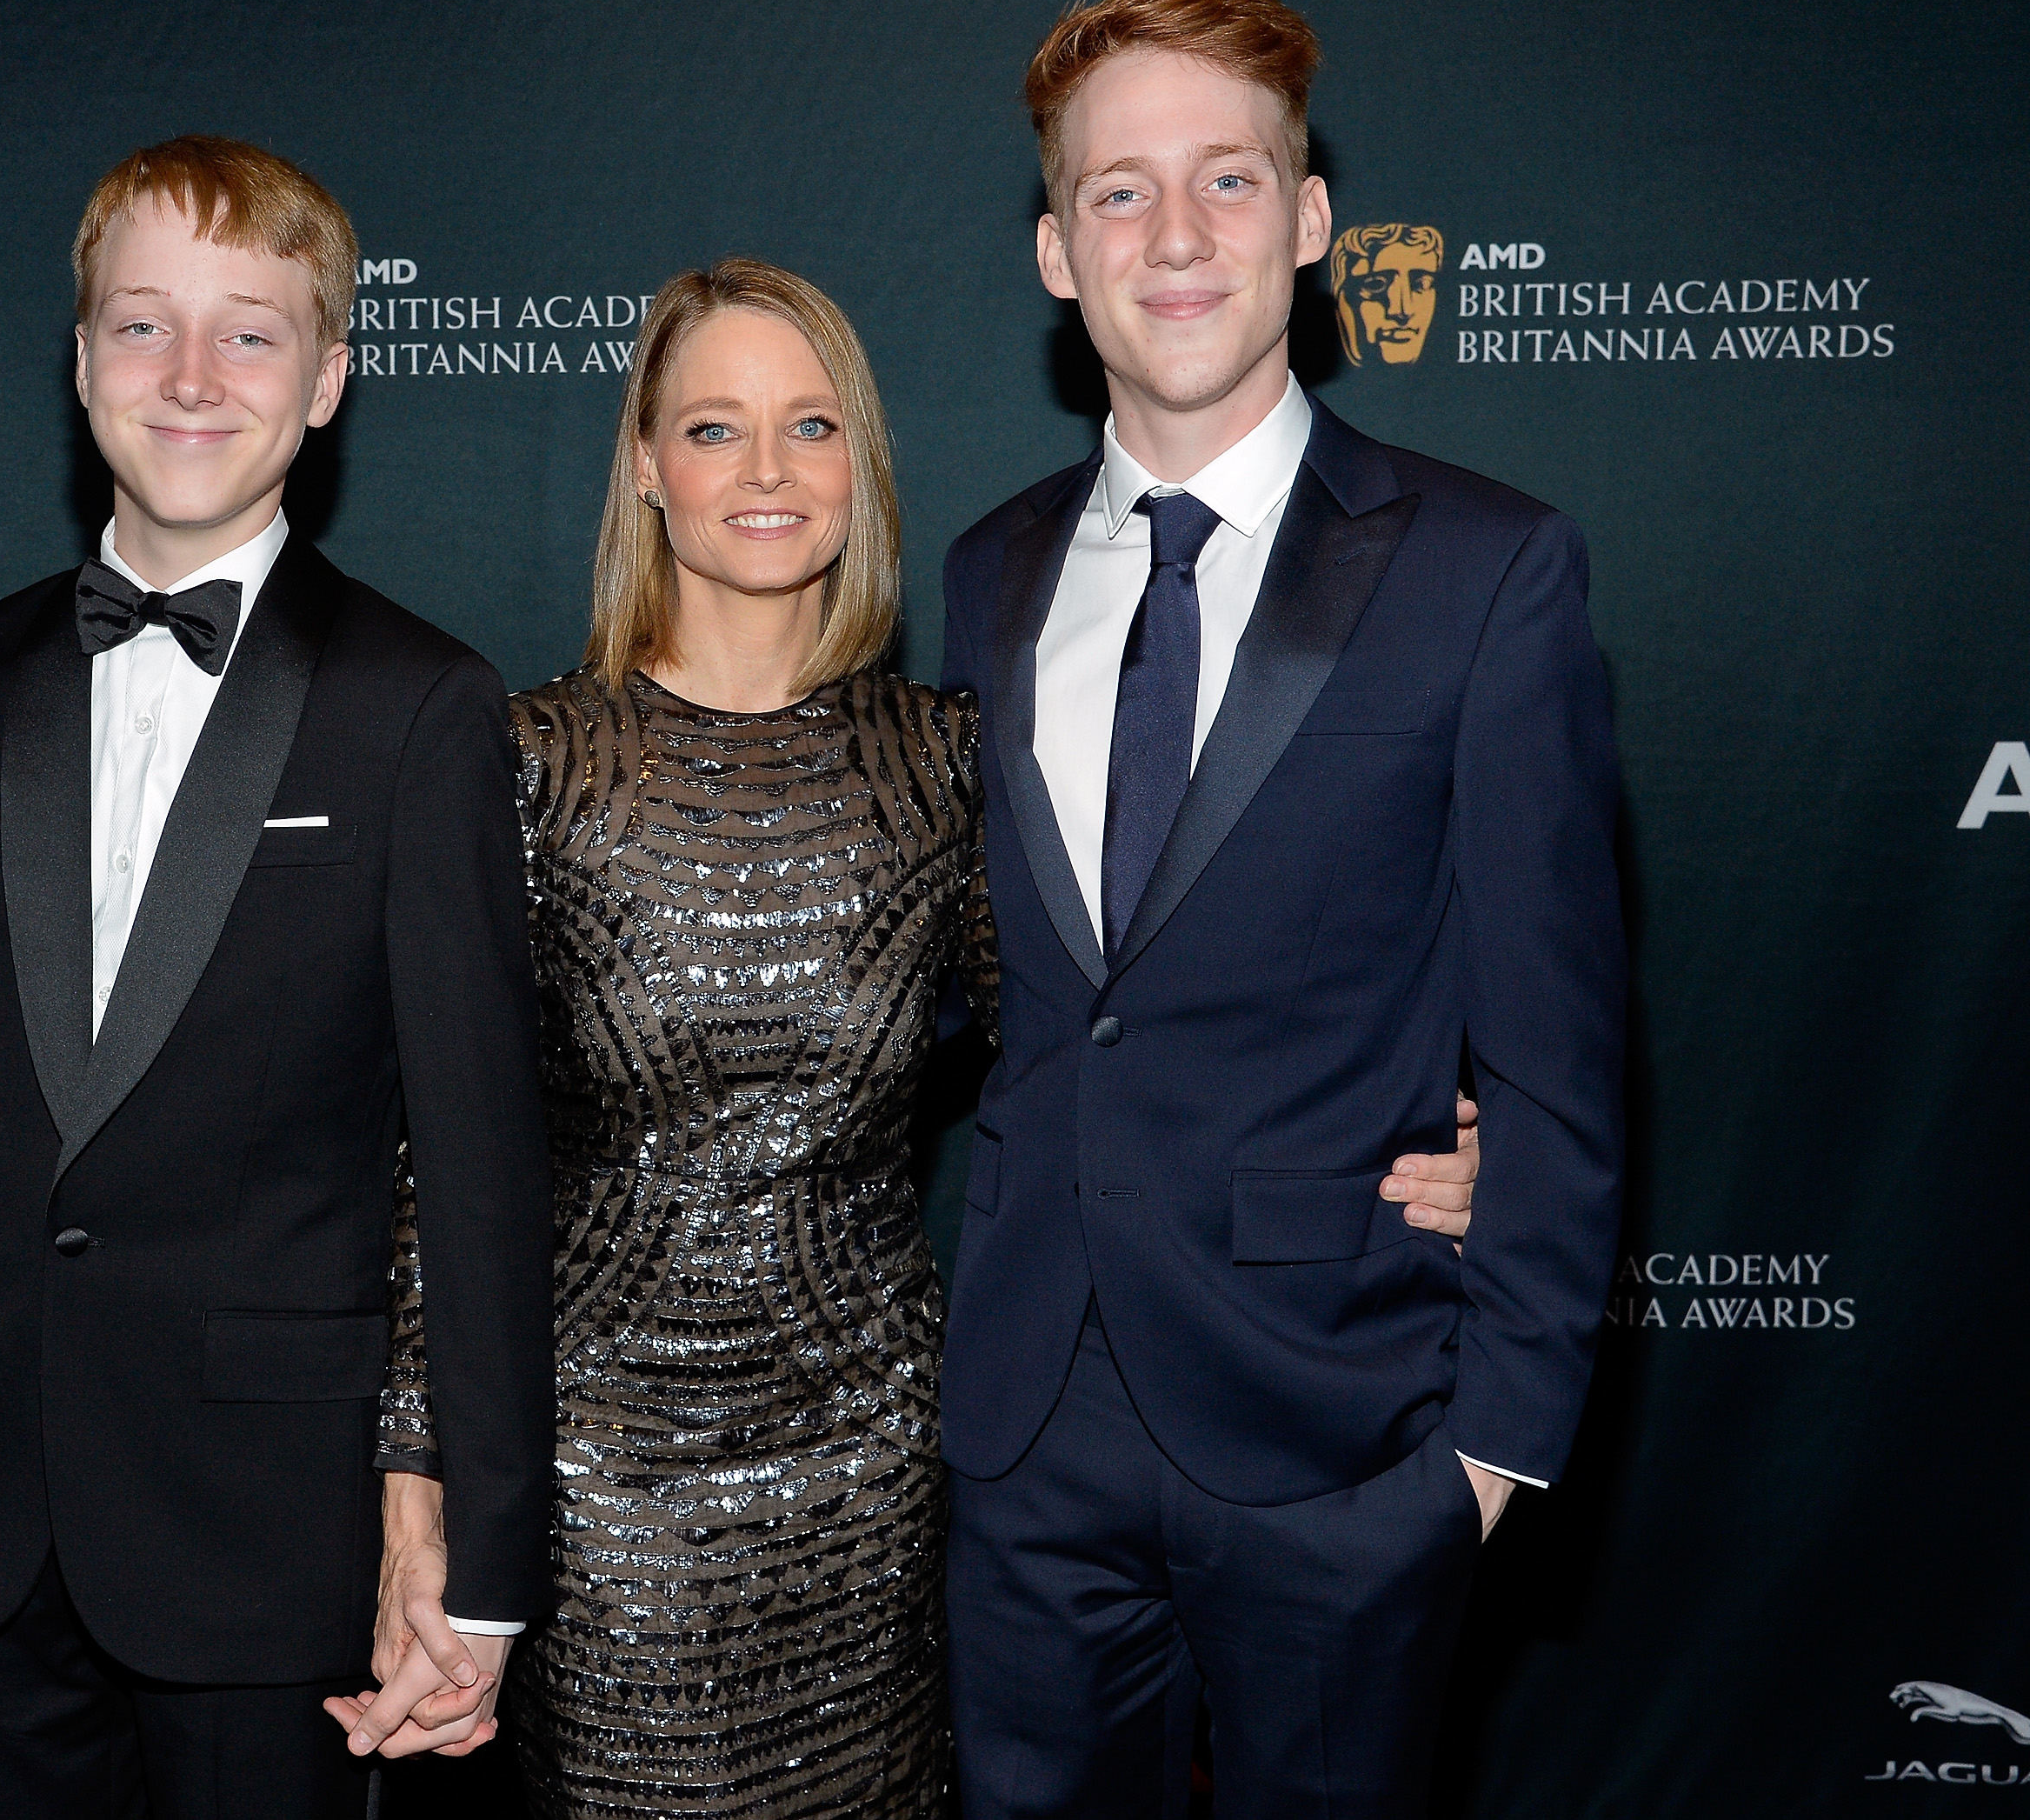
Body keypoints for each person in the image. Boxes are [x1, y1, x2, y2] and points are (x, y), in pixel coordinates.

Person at [329, 260, 1485, 1816]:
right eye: (715, 426)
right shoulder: (526, 762)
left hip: (874, 1464)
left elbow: (1107, 1051)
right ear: (645, 467)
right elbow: (442, 1170)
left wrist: (1396, 1137)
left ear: (859, 469)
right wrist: (420, 1509)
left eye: (811, 427)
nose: (764, 471)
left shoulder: (945, 760)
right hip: (597, 1483)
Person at [938, 0, 1627, 1819]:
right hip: (1025, 1427)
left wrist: (1490, 1454)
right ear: (1056, 252)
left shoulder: (1490, 568)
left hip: (1345, 1431)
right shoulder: (988, 574)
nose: (1176, 235)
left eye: (1228, 181)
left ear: (1312, 224)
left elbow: (1561, 1044)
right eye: (1120, 191)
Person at [0, 135, 554, 1820]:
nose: (193, 376)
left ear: (331, 375)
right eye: (143, 326)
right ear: (79, 364)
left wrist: (484, 1566)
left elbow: (484, 1164)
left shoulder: (419, 699)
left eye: (252, 330)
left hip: (266, 1532)